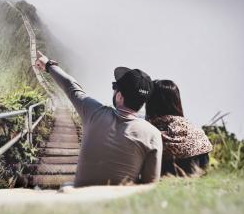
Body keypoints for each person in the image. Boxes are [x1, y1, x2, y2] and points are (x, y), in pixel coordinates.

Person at [35, 51, 162, 187]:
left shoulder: (94, 112)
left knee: (66, 186)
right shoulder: (153, 135)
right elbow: (150, 184)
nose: (113, 89)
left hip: (82, 196)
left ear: (119, 96)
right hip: (122, 203)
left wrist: (49, 65)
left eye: (115, 87)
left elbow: (71, 87)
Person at [145, 80, 213, 176]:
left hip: (167, 179)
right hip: (198, 177)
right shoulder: (195, 130)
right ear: (177, 101)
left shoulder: (149, 131)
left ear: (151, 103)